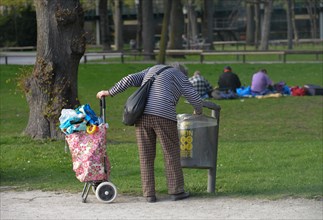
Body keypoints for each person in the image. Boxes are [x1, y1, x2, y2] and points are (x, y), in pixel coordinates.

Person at [96, 63, 203, 203]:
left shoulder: (153, 69)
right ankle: (176, 191)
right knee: (171, 153)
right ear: (184, 72)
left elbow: (129, 79)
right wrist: (198, 111)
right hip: (164, 116)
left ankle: (149, 194)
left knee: (145, 155)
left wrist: (110, 92)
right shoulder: (180, 76)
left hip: (142, 115)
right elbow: (194, 97)